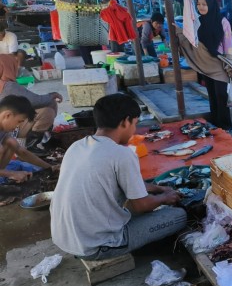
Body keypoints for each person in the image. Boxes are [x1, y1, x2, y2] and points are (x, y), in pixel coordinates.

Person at [50, 94, 186, 260]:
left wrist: (158, 188)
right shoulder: (121, 154)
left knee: (143, 196)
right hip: (97, 246)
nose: (134, 130)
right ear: (125, 121)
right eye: (135, 124)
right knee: (179, 216)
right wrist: (165, 197)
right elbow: (141, 205)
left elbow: (122, 183)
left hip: (64, 237)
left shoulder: (77, 146)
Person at [176, 0, 232, 130]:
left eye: (204, 4)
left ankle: (225, 125)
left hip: (219, 63)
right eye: (198, 4)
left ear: (211, 4)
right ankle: (215, 123)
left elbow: (228, 44)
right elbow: (192, 40)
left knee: (221, 94)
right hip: (205, 63)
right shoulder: (198, 22)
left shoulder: (223, 21)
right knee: (212, 94)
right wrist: (179, 31)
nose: (201, 7)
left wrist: (230, 63)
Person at [0, 50, 62, 154]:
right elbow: (34, 101)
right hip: (8, 127)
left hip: (6, 124)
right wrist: (52, 95)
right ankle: (31, 145)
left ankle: (43, 138)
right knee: (48, 110)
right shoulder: (7, 86)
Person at [0, 95, 57, 185]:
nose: (18, 126)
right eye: (19, 121)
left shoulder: (3, 129)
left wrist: (49, 168)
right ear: (7, 115)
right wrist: (12, 173)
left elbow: (21, 151)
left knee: (11, 142)